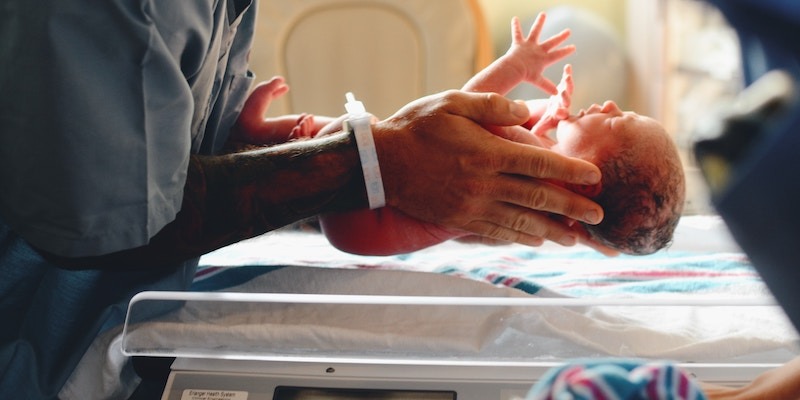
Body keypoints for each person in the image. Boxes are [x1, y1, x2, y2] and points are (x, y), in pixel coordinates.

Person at [0, 4, 605, 399]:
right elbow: (114, 217)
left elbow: (132, 156)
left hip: (113, 306)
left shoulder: (540, 177)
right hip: (38, 336)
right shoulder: (113, 15)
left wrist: (224, 143)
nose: (604, 108)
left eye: (619, 124)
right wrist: (371, 160)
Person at [239, 13, 685, 256]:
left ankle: (258, 136)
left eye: (614, 121)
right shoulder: (550, 201)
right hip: (365, 228)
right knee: (344, 133)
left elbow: (459, 116)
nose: (607, 105)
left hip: (367, 214)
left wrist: (518, 65)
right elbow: (600, 240)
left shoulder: (528, 160)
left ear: (589, 178)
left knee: (348, 131)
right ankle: (264, 136)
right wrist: (553, 120)